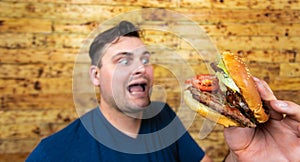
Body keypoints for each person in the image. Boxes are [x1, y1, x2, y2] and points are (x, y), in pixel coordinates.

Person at [26, 20, 300, 162]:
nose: (140, 69)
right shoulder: (51, 153)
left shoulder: (163, 117)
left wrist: (245, 155)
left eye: (145, 59)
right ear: (95, 76)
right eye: (123, 60)